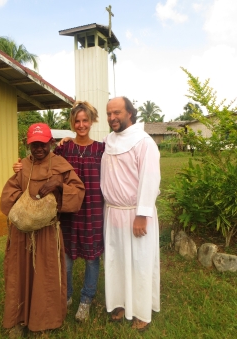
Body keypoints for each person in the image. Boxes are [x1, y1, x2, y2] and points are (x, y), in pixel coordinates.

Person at [13, 101, 105, 322]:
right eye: (77, 121)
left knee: (92, 259)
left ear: (91, 121)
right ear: (72, 123)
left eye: (85, 120)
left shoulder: (102, 149)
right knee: (66, 258)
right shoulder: (63, 148)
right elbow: (39, 158)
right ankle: (67, 295)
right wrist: (20, 166)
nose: (81, 124)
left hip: (93, 209)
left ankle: (86, 300)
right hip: (67, 212)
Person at [0, 123, 85, 338]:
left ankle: (44, 321)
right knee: (20, 273)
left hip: (47, 233)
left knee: (45, 276)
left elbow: (77, 192)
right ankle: (18, 319)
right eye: (34, 144)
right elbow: (8, 195)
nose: (38, 148)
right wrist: (26, 205)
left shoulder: (60, 164)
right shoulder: (23, 166)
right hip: (23, 233)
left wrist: (59, 185)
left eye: (43, 144)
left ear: (51, 143)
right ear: (28, 145)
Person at [101, 97, 160, 332]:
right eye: (108, 114)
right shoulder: (108, 141)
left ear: (130, 113)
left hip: (135, 214)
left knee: (140, 263)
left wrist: (142, 214)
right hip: (113, 212)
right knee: (118, 261)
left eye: (117, 112)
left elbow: (150, 178)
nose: (112, 117)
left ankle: (143, 310)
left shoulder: (143, 142)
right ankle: (121, 303)